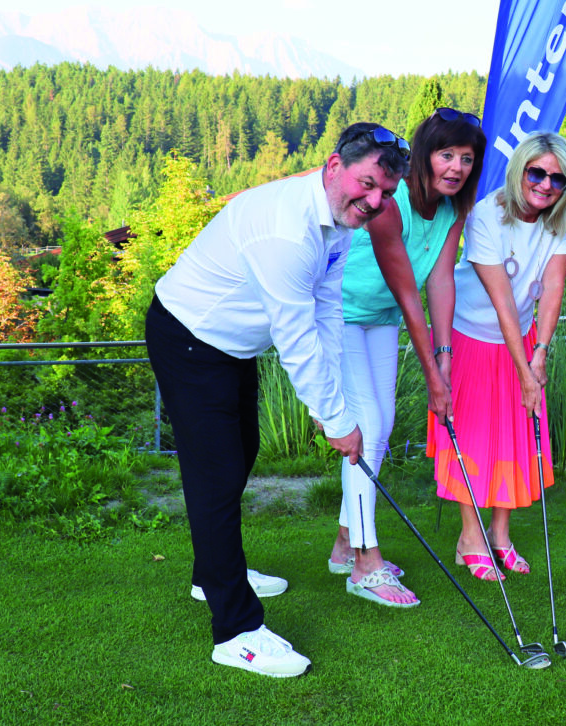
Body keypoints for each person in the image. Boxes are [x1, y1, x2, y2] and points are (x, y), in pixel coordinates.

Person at [145, 122, 409, 677]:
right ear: (334, 165)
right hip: (191, 337)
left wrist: (333, 407)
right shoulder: (287, 231)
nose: (374, 202)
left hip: (231, 346)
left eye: (385, 193)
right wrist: (338, 421)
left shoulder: (338, 221)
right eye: (366, 184)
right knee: (215, 475)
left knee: (240, 454)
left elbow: (327, 312)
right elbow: (296, 340)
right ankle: (235, 631)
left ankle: (211, 573)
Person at [326, 108, 485, 607]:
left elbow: (439, 281)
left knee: (384, 423)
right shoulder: (392, 204)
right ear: (423, 155)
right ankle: (366, 564)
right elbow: (409, 293)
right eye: (445, 154)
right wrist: (433, 377)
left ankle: (343, 546)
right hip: (341, 311)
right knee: (367, 425)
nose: (456, 166)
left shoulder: (454, 211)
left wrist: (445, 355)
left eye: (466, 158)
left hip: (381, 318)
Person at [427, 131, 566, 580]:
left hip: (525, 338)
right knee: (473, 440)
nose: (546, 185)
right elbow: (503, 304)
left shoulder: (563, 212)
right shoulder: (487, 215)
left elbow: (552, 287)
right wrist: (526, 368)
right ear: (520, 172)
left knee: (512, 437)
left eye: (557, 178)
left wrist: (542, 352)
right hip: (474, 335)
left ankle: (500, 535)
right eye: (537, 173)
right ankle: (469, 538)